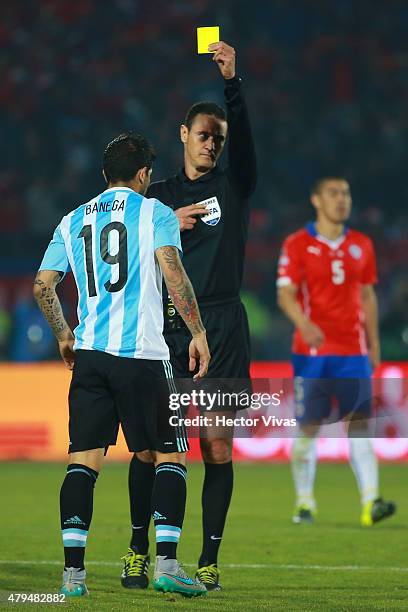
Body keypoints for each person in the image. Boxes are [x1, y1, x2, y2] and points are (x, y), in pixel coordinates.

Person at [33, 132, 210, 598]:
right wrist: (197, 332)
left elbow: (42, 285)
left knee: (83, 463)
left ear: (104, 175)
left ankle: (73, 576)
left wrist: (64, 335)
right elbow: (172, 269)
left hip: (90, 358)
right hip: (144, 357)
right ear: (145, 174)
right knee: (170, 454)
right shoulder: (155, 213)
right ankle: (167, 564)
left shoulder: (71, 220)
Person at [121, 41, 256, 592]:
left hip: (221, 328)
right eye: (203, 134)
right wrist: (166, 222)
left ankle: (208, 561)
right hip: (167, 332)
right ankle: (137, 551)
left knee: (216, 445)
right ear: (182, 135)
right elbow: (120, 248)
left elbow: (246, 147)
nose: (212, 144)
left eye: (218, 138)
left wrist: (232, 84)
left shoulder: (234, 184)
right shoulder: (159, 197)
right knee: (154, 449)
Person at [277, 176, 396, 526]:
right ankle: (304, 502)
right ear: (316, 200)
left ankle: (371, 501)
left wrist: (373, 342)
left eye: (345, 193)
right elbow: (285, 293)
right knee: (309, 426)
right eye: (334, 193)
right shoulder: (297, 244)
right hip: (312, 352)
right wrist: (304, 323)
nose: (342, 199)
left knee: (359, 424)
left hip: (353, 352)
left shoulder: (362, 244)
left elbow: (368, 296)